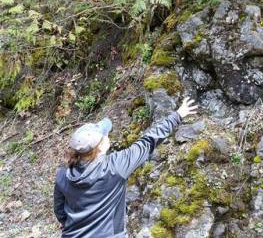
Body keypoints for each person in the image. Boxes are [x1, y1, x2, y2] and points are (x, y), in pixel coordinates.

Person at [53, 97, 198, 238]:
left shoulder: (63, 174)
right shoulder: (116, 166)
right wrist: (177, 115)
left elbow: (60, 211)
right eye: (106, 135)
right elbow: (148, 142)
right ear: (101, 146)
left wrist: (67, 223)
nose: (108, 135)